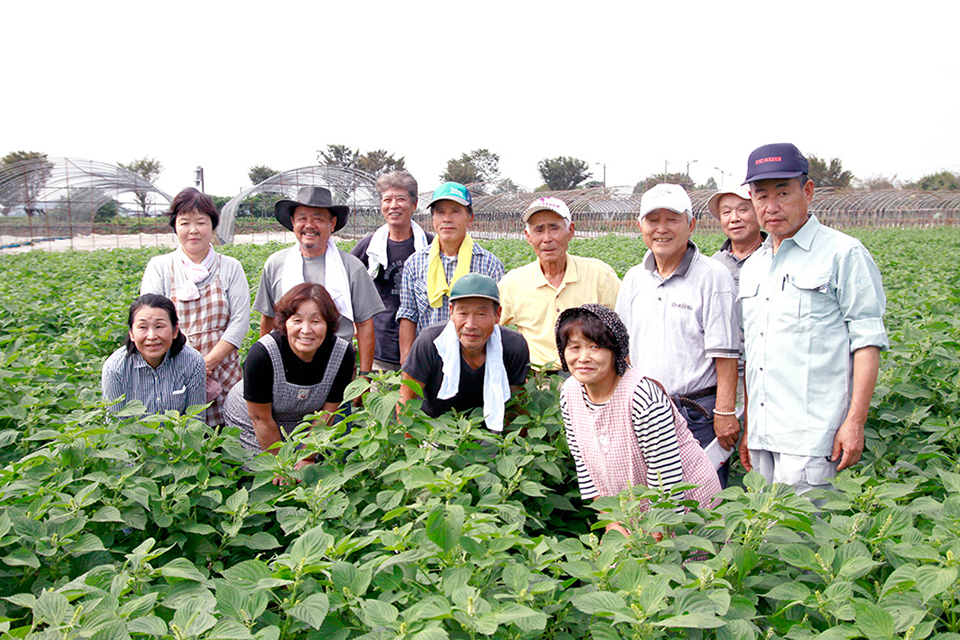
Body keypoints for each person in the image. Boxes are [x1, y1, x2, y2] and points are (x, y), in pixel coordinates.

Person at [738, 143, 888, 494]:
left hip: (813, 437)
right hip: (762, 437)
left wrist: (855, 422)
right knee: (764, 540)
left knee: (803, 539)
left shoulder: (843, 254)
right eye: (761, 196)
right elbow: (752, 352)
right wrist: (750, 427)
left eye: (783, 193)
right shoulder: (754, 266)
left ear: (807, 192)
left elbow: (866, 343)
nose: (771, 206)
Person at [556, 304, 721, 537]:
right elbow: (584, 464)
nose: (583, 357)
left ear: (616, 351)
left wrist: (657, 532)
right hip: (629, 508)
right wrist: (611, 520)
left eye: (595, 347)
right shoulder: (570, 393)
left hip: (681, 504)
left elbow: (665, 473)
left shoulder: (641, 395)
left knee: (681, 567)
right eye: (574, 347)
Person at [615, 183, 740, 487]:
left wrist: (724, 412)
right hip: (645, 410)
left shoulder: (712, 276)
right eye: (653, 220)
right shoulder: (634, 279)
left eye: (672, 219)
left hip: (696, 413)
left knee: (701, 500)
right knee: (652, 500)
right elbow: (623, 347)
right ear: (640, 226)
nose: (662, 229)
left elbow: (725, 354)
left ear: (691, 224)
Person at [140, 187, 250, 426]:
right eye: (184, 223)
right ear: (174, 227)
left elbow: (240, 321)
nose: (193, 230)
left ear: (212, 226)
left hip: (222, 368)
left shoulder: (230, 267)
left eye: (201, 222)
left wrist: (206, 364)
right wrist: (188, 366)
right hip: (174, 367)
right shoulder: (160, 267)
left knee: (227, 436)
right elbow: (152, 322)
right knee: (180, 433)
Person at [252, 186, 384, 376]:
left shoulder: (351, 267)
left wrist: (364, 376)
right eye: (302, 218)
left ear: (332, 224)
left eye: (318, 218)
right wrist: (264, 366)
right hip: (286, 368)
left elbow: (364, 324)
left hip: (337, 367)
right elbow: (268, 318)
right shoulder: (276, 264)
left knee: (338, 407)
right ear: (293, 222)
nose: (309, 225)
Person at [224, 283, 355, 473]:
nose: (306, 330)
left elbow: (328, 412)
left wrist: (308, 457)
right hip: (252, 422)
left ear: (328, 324)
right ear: (285, 323)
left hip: (303, 423)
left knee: (322, 470)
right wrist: (282, 466)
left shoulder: (342, 354)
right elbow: (260, 418)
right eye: (297, 320)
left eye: (316, 321)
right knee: (265, 475)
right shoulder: (262, 355)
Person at [498, 197, 620, 371]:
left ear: (570, 231)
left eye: (554, 228)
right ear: (528, 237)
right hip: (538, 384)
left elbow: (626, 322)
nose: (547, 238)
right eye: (538, 230)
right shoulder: (513, 282)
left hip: (590, 377)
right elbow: (488, 327)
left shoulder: (598, 274)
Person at [399, 273, 529, 432]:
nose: (471, 325)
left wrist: (512, 453)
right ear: (451, 312)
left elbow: (515, 406)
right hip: (434, 432)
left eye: (481, 314)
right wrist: (411, 450)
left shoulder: (513, 346)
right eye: (463, 313)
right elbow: (406, 398)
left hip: (489, 434)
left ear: (498, 315)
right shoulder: (431, 343)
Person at [396, 182, 504, 364]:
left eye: (455, 211)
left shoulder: (490, 264)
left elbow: (497, 320)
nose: (447, 219)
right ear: (433, 219)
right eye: (440, 212)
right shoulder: (415, 263)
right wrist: (407, 362)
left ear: (470, 219)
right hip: (428, 361)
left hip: (475, 362)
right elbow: (408, 315)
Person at [350, 171, 433, 372]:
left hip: (423, 349)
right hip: (379, 350)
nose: (393, 205)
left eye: (401, 199)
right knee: (381, 400)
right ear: (381, 206)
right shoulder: (369, 248)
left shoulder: (431, 246)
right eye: (387, 199)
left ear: (414, 205)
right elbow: (344, 287)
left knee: (416, 403)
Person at [706, 184, 766, 407]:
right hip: (724, 374)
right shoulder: (713, 264)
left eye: (743, 209)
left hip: (767, 371)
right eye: (726, 212)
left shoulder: (776, 258)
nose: (734, 218)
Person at [102, 294, 206, 416]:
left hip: (178, 435)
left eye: (159, 326)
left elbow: (195, 420)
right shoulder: (115, 368)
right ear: (131, 333)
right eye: (143, 327)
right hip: (131, 435)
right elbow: (115, 423)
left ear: (175, 330)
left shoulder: (193, 362)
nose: (152, 336)